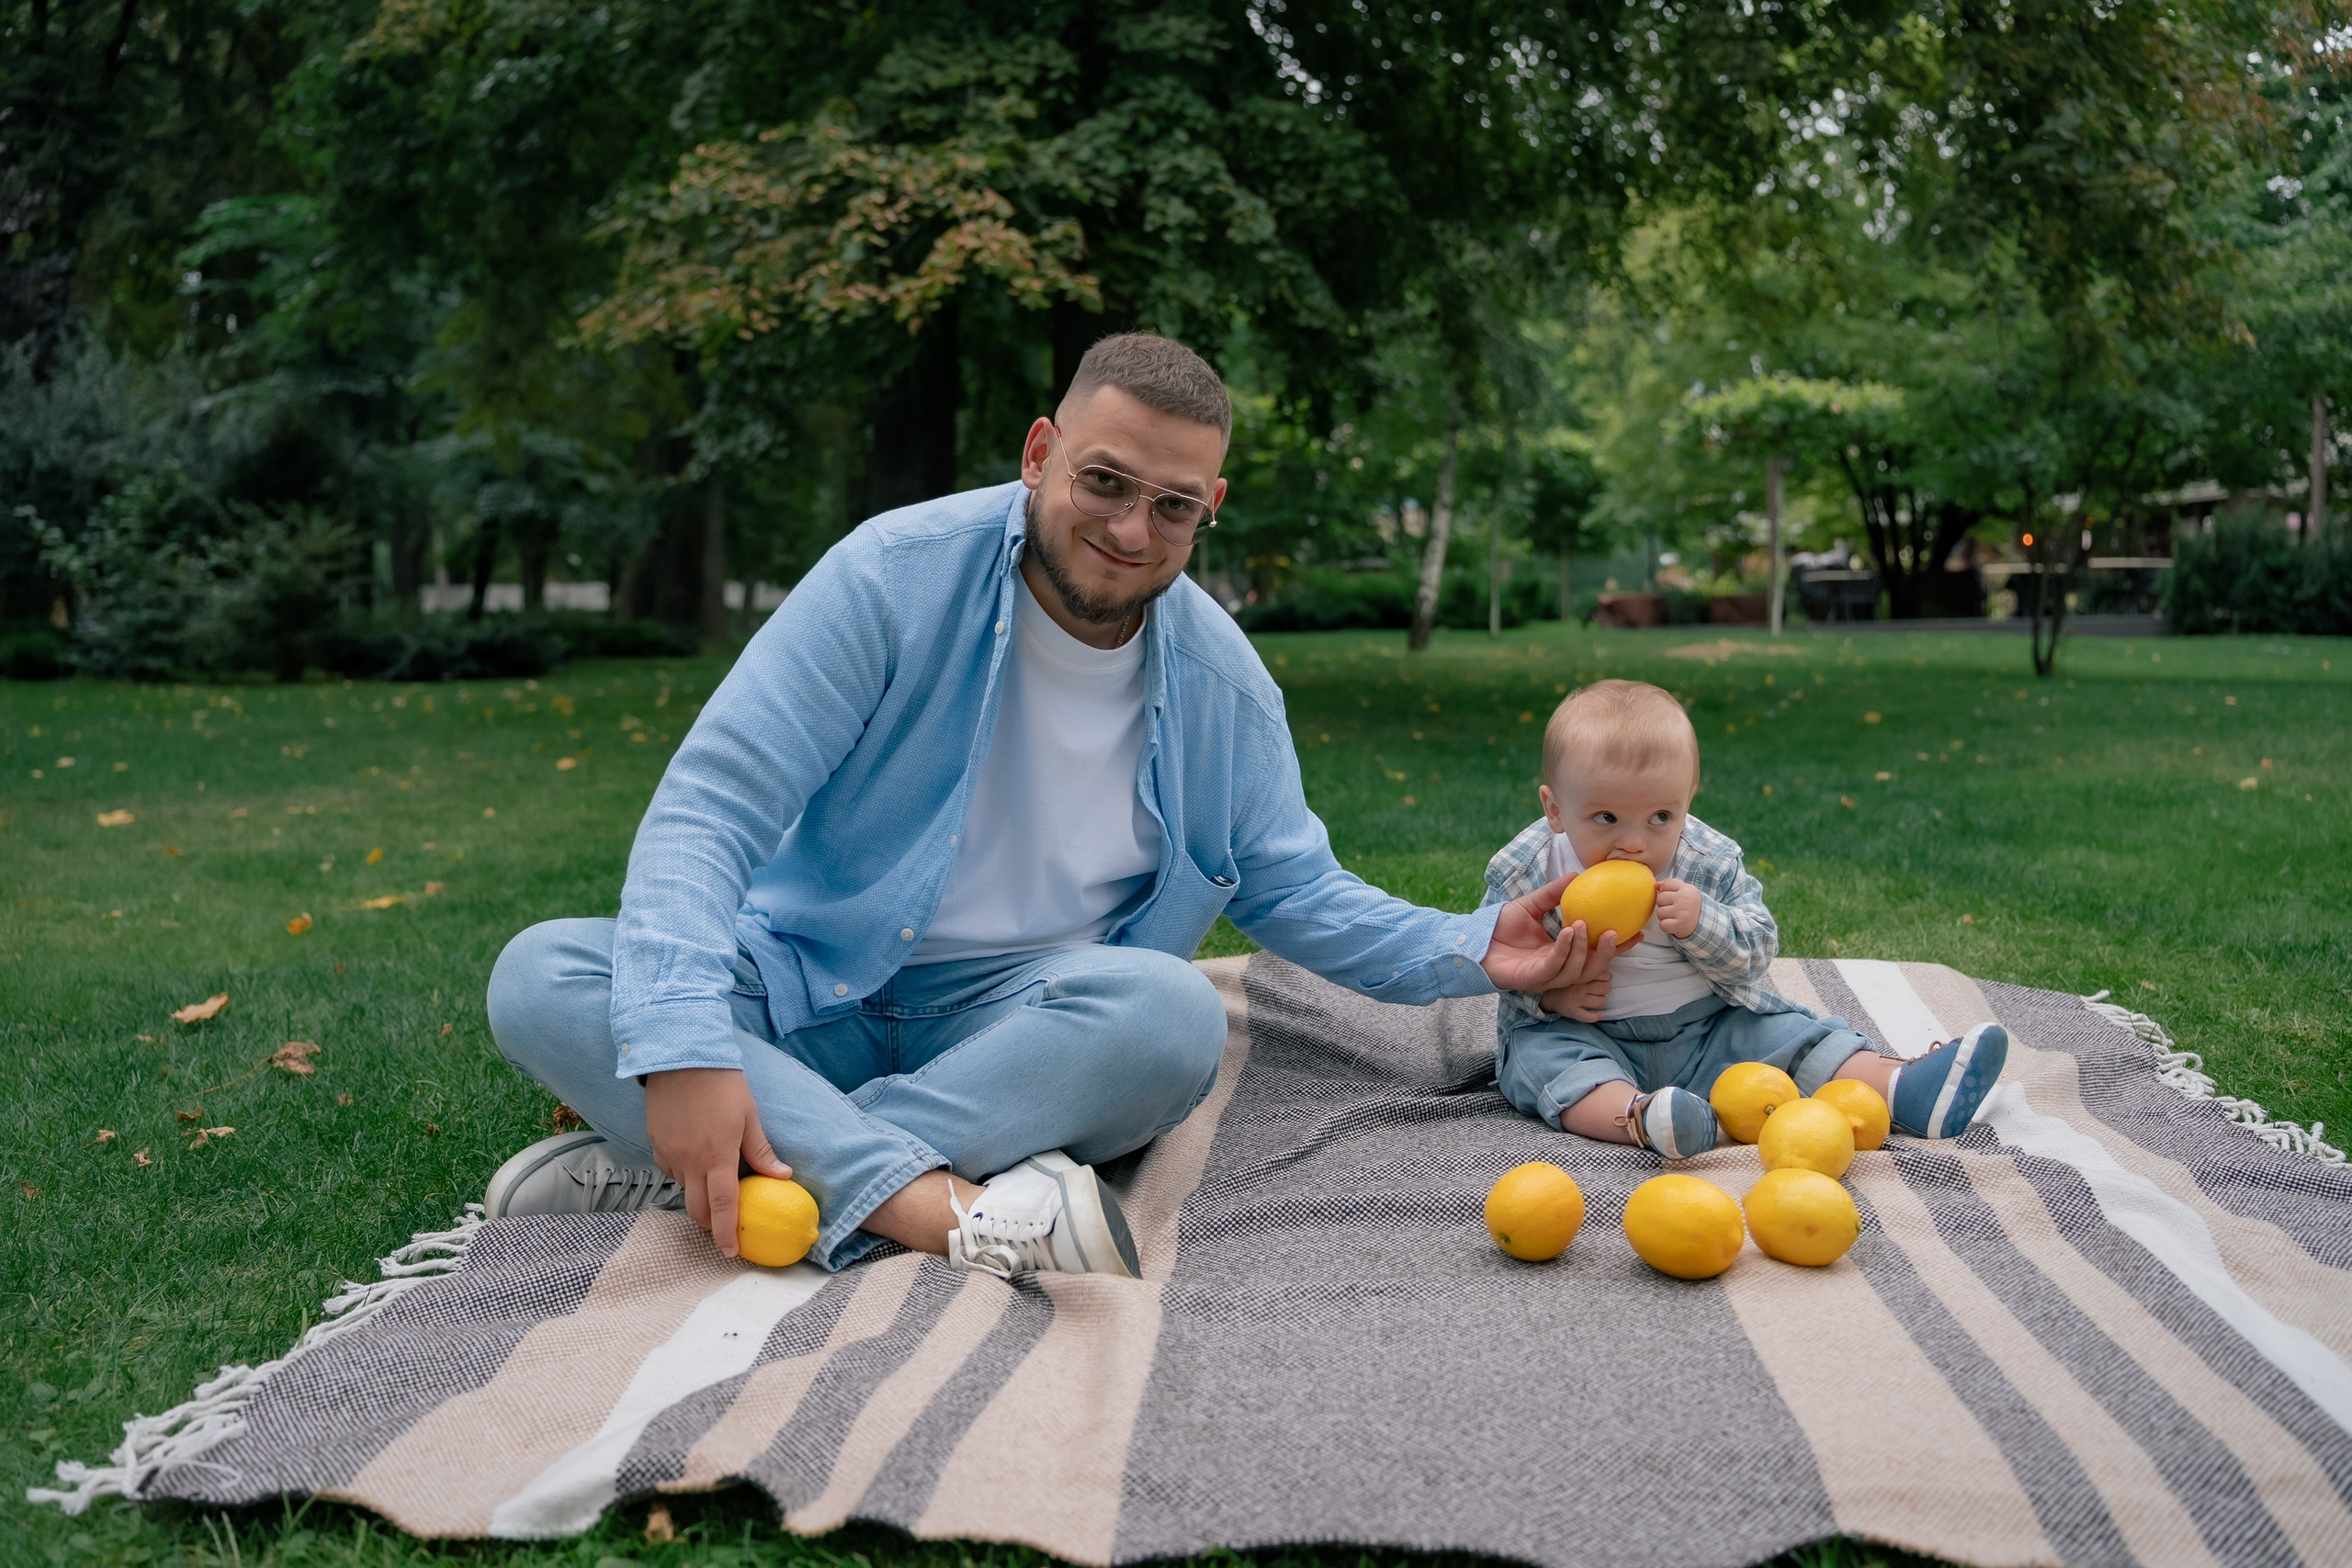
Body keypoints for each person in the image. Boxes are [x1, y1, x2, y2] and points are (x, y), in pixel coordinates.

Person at [483, 333, 1595, 1279]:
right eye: (1103, 482)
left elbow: (1292, 886)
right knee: (544, 974)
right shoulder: (889, 578)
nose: (1128, 530)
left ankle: (731, 1170)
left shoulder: (1223, 685)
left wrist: (1468, 946)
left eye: (1170, 507)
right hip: (801, 978)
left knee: (1170, 1017)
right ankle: (931, 1212)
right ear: (1038, 452)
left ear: (1207, 510)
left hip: (1015, 1023)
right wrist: (683, 1042)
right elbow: (712, 806)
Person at [1483, 679, 2007, 1156]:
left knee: (1788, 1035)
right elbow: (1489, 956)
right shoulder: (1526, 869)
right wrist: (1550, 996)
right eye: (1606, 818)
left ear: (1687, 802)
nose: (1635, 842)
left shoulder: (1706, 861)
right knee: (1547, 1063)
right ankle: (1645, 1120)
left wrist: (1701, 920)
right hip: (1584, 1033)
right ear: (1555, 810)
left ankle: (1903, 1091)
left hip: (1709, 1027)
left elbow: (1757, 951)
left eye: (1661, 817)